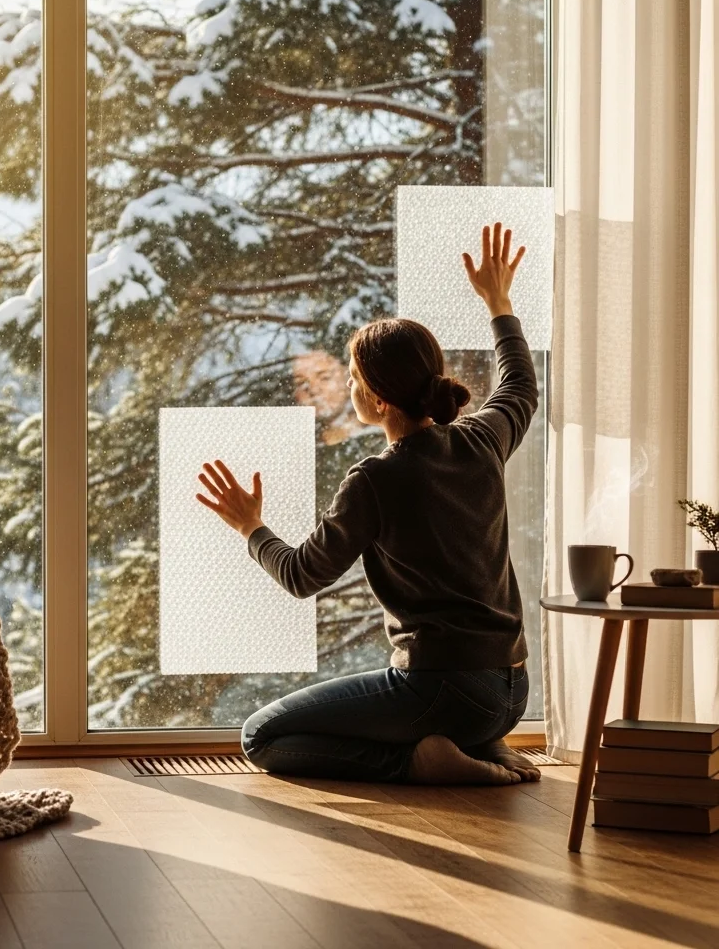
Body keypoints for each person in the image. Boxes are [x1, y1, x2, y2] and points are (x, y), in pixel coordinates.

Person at [196, 222, 541, 785]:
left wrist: (250, 526)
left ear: (378, 401)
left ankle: (418, 761)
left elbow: (301, 576)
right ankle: (480, 744)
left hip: (443, 690)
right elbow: (521, 385)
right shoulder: (483, 440)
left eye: (354, 377)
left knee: (260, 736)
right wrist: (498, 302)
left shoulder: (376, 478)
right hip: (511, 691)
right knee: (428, 706)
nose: (349, 386)